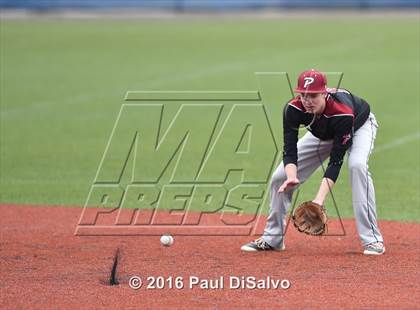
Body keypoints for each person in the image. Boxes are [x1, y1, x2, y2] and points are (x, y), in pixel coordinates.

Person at [241, 69, 385, 255]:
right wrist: (292, 176)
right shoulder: (293, 109)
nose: (307, 100)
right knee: (280, 177)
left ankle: (372, 240)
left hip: (358, 126)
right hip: (322, 132)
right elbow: (289, 149)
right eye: (303, 95)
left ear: (324, 93)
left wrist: (319, 200)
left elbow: (335, 161)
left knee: (357, 166)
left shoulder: (342, 113)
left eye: (313, 95)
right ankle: (273, 238)